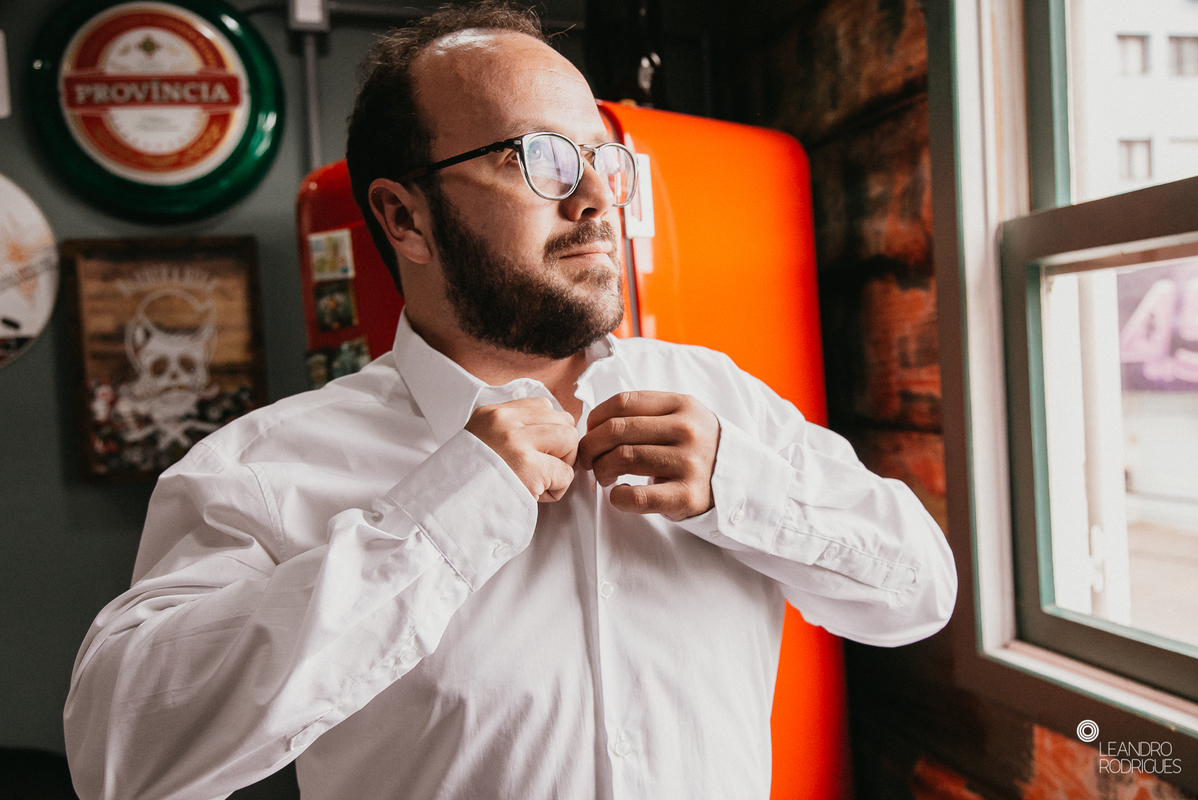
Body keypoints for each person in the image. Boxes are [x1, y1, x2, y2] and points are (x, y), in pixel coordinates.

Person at [63, 3, 957, 799]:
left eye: (606, 159)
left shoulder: (719, 398)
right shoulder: (263, 470)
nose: (599, 196)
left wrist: (751, 491)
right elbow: (123, 761)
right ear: (404, 217)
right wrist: (435, 527)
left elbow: (920, 594)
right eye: (541, 158)